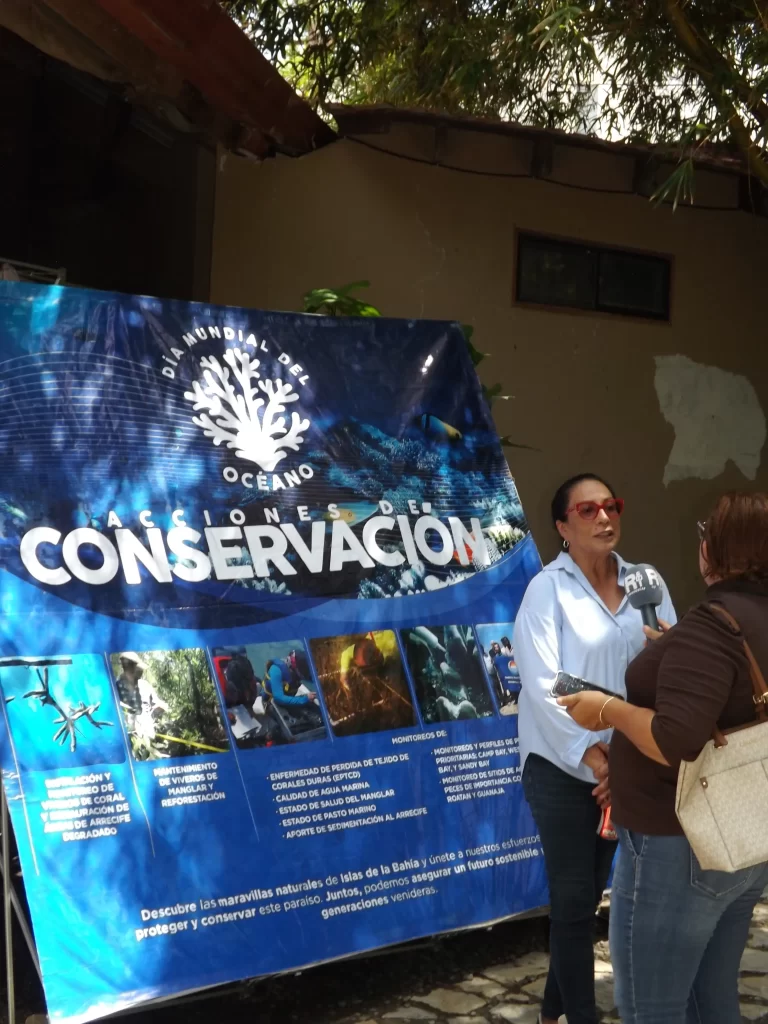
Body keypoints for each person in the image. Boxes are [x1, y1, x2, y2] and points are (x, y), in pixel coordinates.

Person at [559, 491, 768, 1024]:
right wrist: (677, 652)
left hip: (680, 845)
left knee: (652, 1007)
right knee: (711, 998)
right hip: (744, 838)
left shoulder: (714, 627)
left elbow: (674, 741)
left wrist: (606, 708)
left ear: (714, 550)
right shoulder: (742, 623)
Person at [514, 473, 676, 1024]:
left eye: (611, 506)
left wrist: (624, 759)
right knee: (573, 897)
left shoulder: (646, 582)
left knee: (587, 898)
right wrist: (592, 754)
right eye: (587, 510)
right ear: (562, 527)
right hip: (560, 765)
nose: (604, 517)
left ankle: (551, 1009)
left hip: (625, 763)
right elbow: (544, 684)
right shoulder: (547, 591)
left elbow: (669, 667)